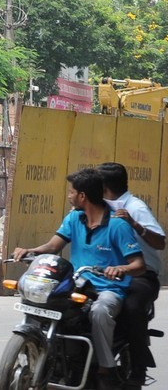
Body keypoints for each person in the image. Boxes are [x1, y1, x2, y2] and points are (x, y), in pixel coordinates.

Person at [12, 168, 145, 389]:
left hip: (108, 288)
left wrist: (120, 268)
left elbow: (139, 265)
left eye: (71, 192)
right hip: (77, 283)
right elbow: (53, 246)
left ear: (82, 196)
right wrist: (29, 251)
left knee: (100, 311)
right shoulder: (74, 218)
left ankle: (105, 368)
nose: (69, 196)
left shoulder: (117, 225)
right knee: (42, 302)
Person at [98, 161, 165, 387]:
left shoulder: (135, 207)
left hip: (141, 274)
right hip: (106, 271)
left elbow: (161, 242)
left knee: (132, 306)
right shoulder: (97, 207)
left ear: (104, 186)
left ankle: (138, 364)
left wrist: (135, 224)